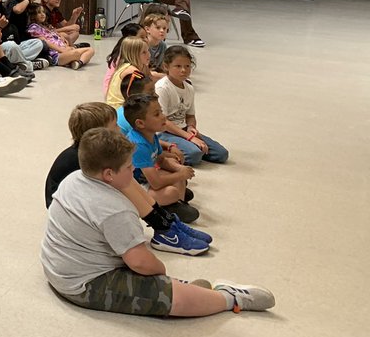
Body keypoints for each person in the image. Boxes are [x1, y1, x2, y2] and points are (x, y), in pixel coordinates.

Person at [42, 128, 275, 317]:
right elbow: (142, 263)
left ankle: (187, 289)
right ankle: (229, 297)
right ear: (109, 174)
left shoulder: (74, 179)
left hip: (58, 265)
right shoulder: (114, 210)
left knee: (155, 281)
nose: (133, 169)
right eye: (128, 166)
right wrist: (160, 276)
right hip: (83, 283)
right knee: (173, 299)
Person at [44, 103, 210, 255]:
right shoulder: (85, 157)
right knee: (126, 184)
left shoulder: (95, 152)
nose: (120, 129)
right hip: (71, 212)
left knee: (127, 178)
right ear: (99, 134)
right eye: (115, 125)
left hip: (86, 199)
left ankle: (166, 223)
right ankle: (164, 229)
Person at [156, 46, 229, 166]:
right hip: (164, 132)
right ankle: (162, 149)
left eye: (187, 66)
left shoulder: (189, 88)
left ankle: (185, 147)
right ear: (166, 66)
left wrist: (191, 127)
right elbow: (163, 122)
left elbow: (190, 115)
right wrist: (189, 138)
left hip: (182, 130)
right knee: (194, 155)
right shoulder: (162, 88)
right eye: (178, 66)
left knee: (221, 154)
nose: (183, 70)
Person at [119, 94, 196, 209]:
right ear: (140, 123)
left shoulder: (150, 134)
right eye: (157, 114)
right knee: (172, 191)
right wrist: (180, 175)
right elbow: (156, 183)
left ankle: (177, 203)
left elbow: (161, 160)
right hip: (135, 188)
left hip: (147, 178)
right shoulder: (138, 145)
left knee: (175, 166)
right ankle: (175, 205)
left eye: (161, 111)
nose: (163, 117)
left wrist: (180, 170)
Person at [27, 3, 94, 69]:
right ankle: (76, 59)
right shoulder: (34, 28)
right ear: (32, 15)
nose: (42, 14)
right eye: (39, 12)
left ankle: (78, 63)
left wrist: (60, 37)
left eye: (43, 12)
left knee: (91, 50)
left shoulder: (46, 26)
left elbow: (54, 33)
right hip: (56, 54)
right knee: (76, 53)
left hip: (64, 48)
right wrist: (62, 50)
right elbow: (45, 41)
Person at [105, 37, 151, 107]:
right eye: (144, 52)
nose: (149, 55)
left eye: (148, 50)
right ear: (133, 54)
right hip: (120, 110)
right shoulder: (133, 72)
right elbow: (140, 95)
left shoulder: (124, 66)